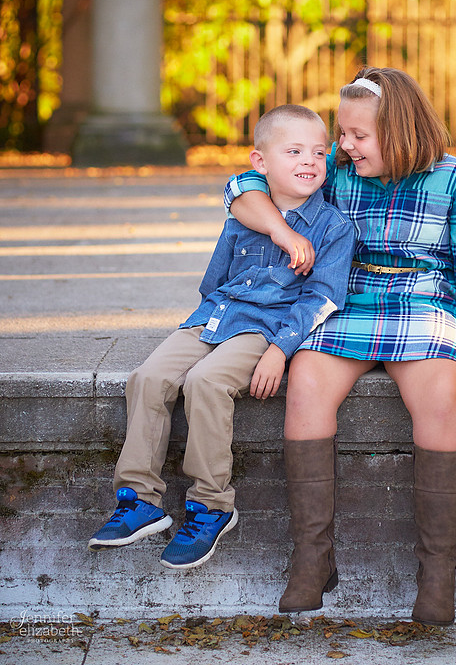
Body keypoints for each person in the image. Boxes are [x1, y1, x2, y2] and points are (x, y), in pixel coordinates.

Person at [224, 66, 456, 625]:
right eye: (342, 132)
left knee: (438, 397)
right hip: (344, 299)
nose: (344, 144)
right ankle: (313, 555)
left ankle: (437, 570)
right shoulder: (335, 171)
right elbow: (243, 186)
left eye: (359, 135)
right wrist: (283, 230)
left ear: (401, 129)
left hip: (424, 303)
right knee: (306, 383)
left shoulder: (454, 179)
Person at [88, 104, 355, 571]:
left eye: (318, 152)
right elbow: (216, 281)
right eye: (293, 151)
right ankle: (139, 500)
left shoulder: (334, 227)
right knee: (148, 377)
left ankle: (212, 505)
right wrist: (203, 323)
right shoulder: (245, 215)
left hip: (265, 328)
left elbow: (323, 297)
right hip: (216, 315)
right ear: (260, 162)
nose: (309, 161)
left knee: (207, 383)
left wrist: (279, 351)